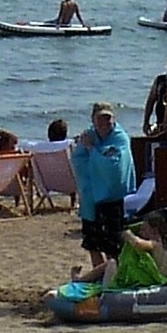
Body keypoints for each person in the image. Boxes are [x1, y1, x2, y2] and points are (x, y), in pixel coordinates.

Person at [69, 100, 134, 275]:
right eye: (100, 119)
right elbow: (78, 161)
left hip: (111, 197)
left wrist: (92, 150)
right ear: (93, 120)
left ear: (114, 119)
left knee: (112, 245)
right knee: (93, 244)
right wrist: (96, 156)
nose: (104, 123)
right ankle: (99, 276)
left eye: (108, 118)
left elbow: (114, 167)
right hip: (90, 197)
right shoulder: (88, 135)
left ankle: (115, 276)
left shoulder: (119, 138)